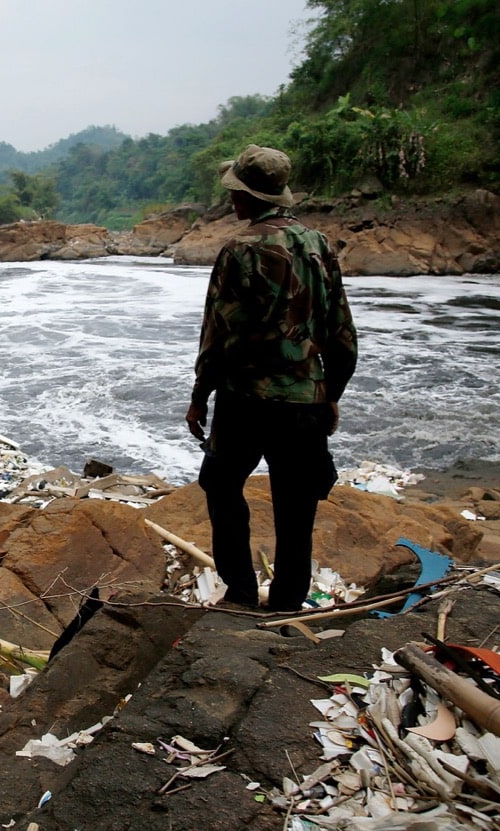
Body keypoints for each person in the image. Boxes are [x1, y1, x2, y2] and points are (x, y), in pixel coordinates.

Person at [185, 144, 358, 612]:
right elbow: (340, 331)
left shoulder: (239, 250)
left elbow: (218, 333)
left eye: (235, 194)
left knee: (221, 486)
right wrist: (330, 394)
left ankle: (240, 593)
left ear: (249, 199)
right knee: (297, 505)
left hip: (245, 399)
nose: (231, 202)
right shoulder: (319, 244)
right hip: (305, 399)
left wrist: (200, 395)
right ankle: (286, 604)